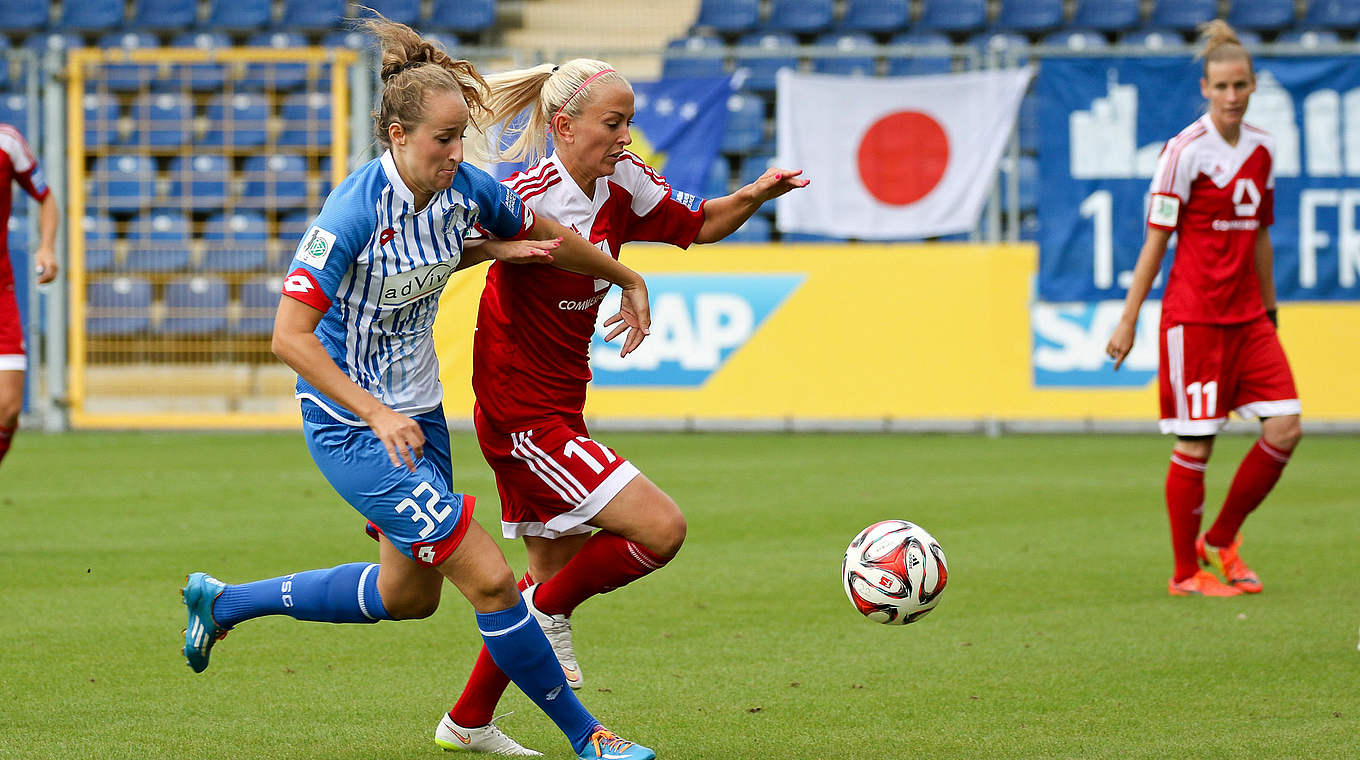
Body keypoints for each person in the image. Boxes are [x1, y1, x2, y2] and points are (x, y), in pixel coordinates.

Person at [180, 18, 658, 760]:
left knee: (407, 597)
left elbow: (548, 236)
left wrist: (622, 276)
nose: (457, 154)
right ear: (398, 137)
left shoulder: (463, 189)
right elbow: (289, 337)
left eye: (462, 137)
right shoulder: (349, 213)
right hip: (356, 426)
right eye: (442, 139)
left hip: (419, 414)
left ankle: (224, 602)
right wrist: (372, 413)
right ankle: (587, 737)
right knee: (494, 582)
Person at [429, 59, 809, 754]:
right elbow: (446, 250)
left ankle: (469, 719)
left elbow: (702, 223)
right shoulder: (522, 191)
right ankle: (547, 624)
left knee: (548, 573)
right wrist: (499, 248)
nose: (627, 137)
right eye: (614, 123)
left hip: (562, 405)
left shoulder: (621, 183)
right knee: (659, 529)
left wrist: (755, 193)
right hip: (520, 413)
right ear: (565, 127)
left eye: (630, 121)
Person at [1105, 20, 1301, 598]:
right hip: (1195, 319)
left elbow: (1261, 234)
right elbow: (1155, 241)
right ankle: (1184, 574)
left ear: (1254, 84)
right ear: (1204, 89)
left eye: (1241, 85)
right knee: (1198, 443)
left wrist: (1270, 306)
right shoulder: (1183, 153)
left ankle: (1219, 540)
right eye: (1221, 87)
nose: (1233, 96)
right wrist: (1128, 317)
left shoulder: (1263, 148)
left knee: (1286, 427)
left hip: (1249, 317)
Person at [0, 122, 58, 469]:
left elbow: (45, 197)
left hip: (0, 290)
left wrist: (47, 247)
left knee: (8, 407)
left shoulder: (7, 141)